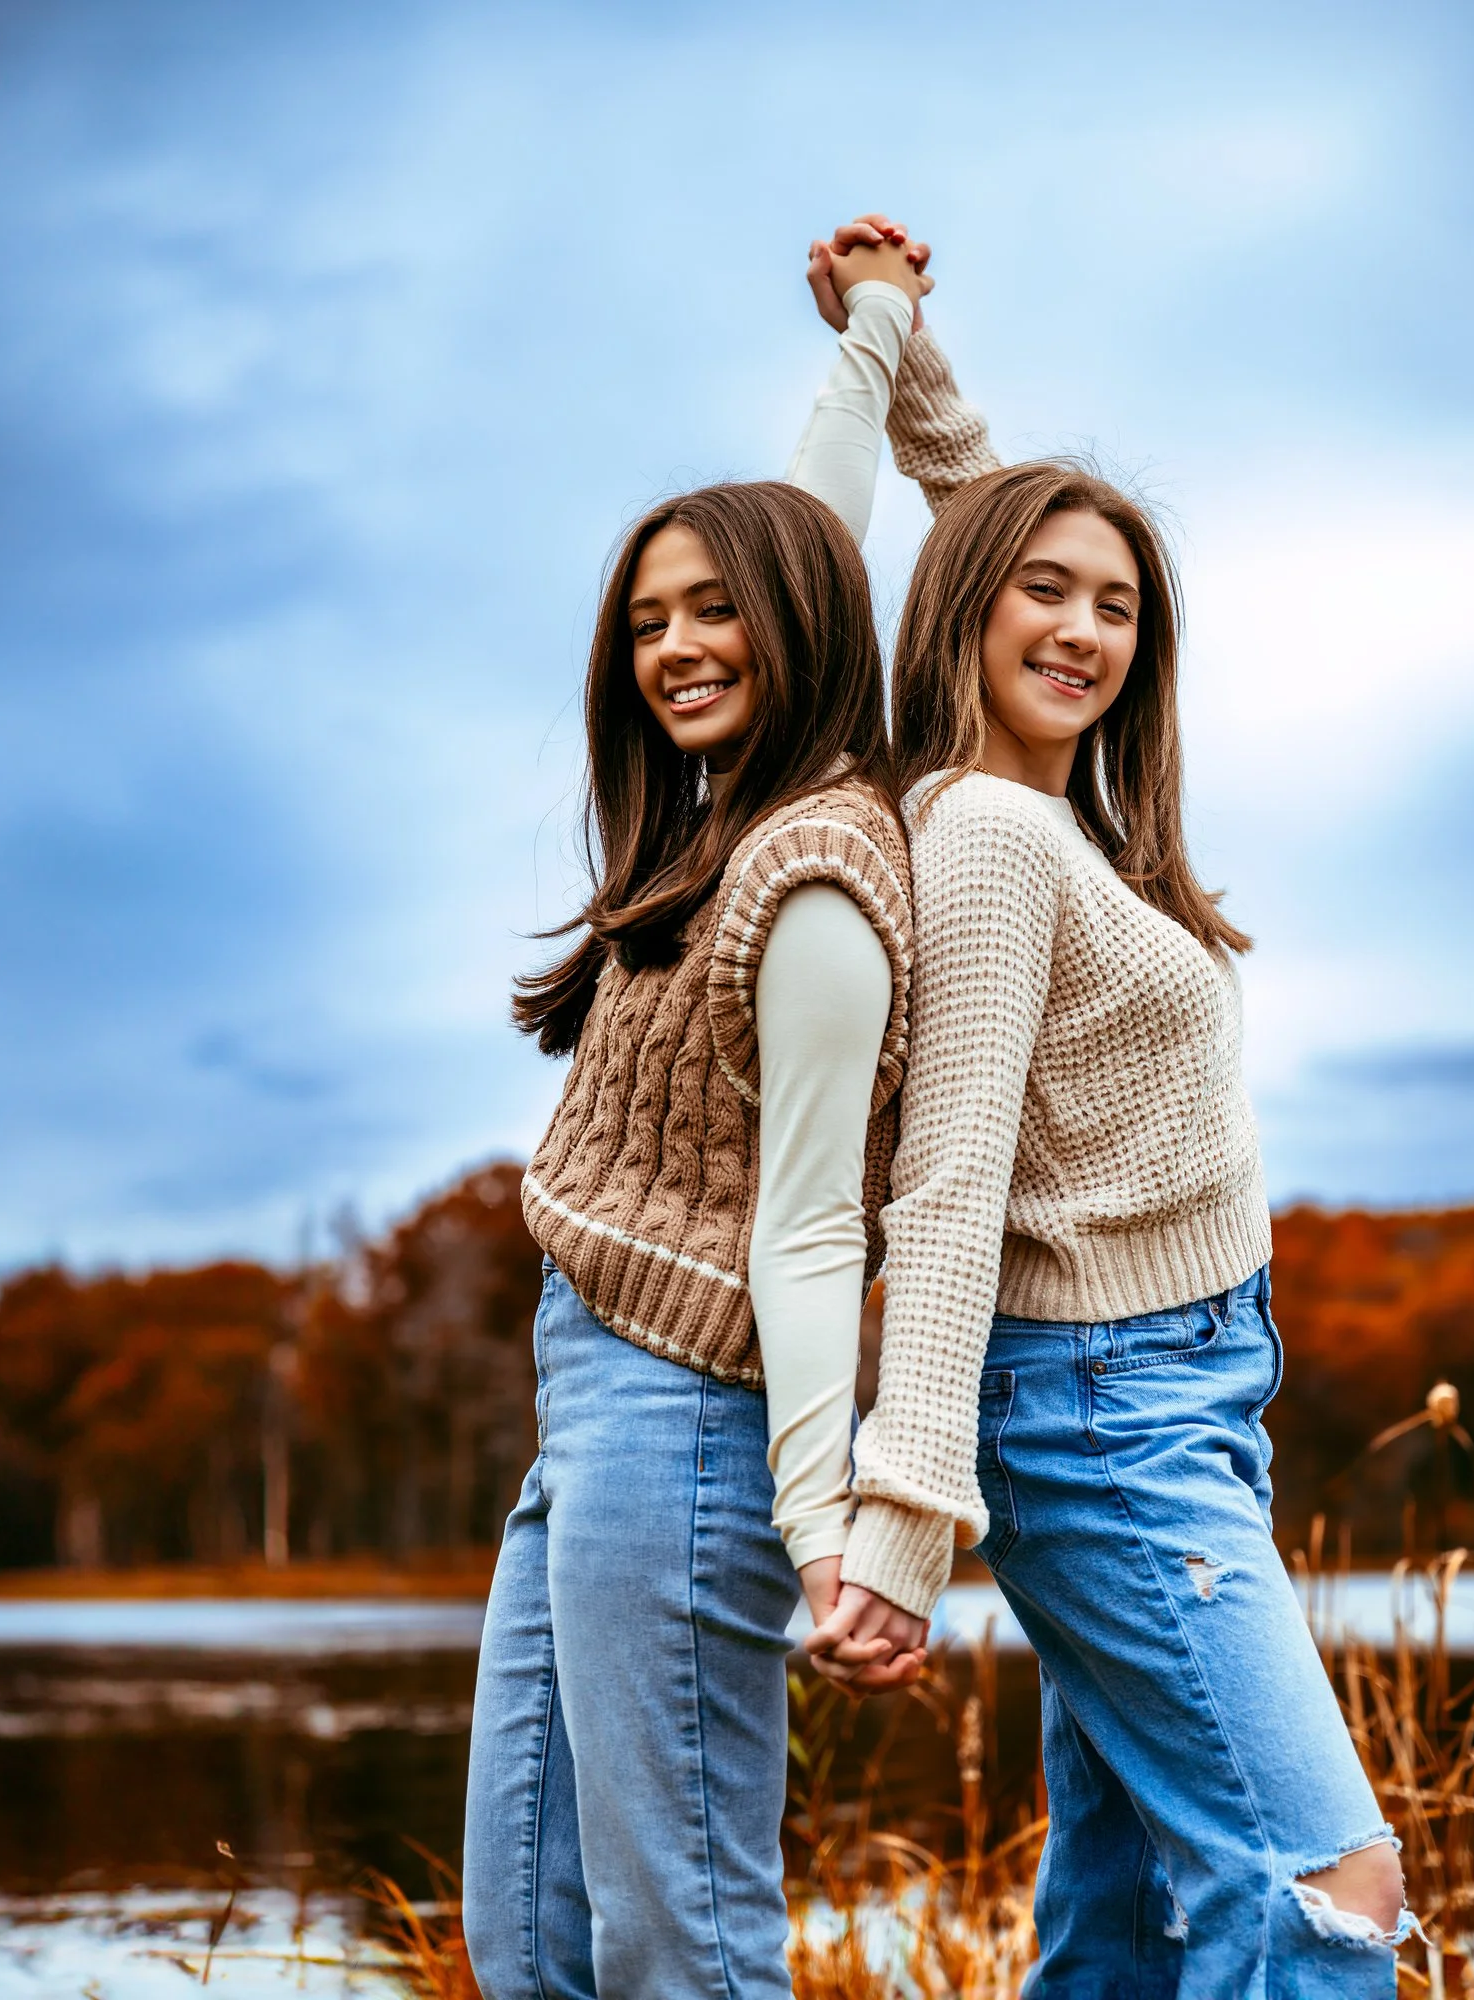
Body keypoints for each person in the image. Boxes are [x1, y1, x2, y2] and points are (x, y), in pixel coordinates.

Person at [811, 282, 1415, 1991]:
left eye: (1119, 607)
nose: (1084, 631)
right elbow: (951, 1176)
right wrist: (908, 1504)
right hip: (1101, 1411)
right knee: (1329, 1888)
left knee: (1132, 1908)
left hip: (1184, 1398)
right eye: (1044, 595)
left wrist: (915, 371)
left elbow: (1008, 551)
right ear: (962, 614)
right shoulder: (995, 836)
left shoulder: (1049, 809)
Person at [463, 220, 938, 2000]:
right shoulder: (722, 811)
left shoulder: (812, 871)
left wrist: (830, 1533)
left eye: (713, 611)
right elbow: (814, 510)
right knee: (528, 1932)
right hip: (589, 1390)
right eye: (648, 619)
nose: (673, 647)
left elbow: (818, 1225)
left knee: (684, 1946)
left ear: (794, 623)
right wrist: (872, 336)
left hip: (682, 1414)